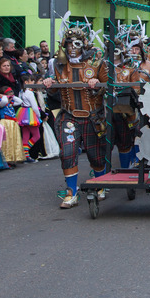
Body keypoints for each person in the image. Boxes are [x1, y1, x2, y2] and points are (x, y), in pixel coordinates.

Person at [42, 25, 108, 210]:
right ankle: (71, 192)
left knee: (96, 154)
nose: (72, 47)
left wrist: (98, 84)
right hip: (69, 116)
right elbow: (54, 89)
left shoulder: (97, 62)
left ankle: (100, 184)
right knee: (68, 152)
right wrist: (50, 83)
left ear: (83, 44)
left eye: (77, 43)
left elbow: (109, 85)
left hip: (93, 117)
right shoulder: (57, 64)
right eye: (69, 43)